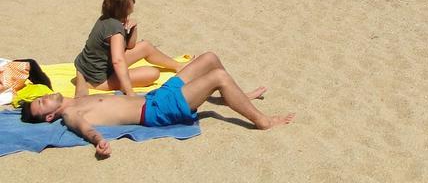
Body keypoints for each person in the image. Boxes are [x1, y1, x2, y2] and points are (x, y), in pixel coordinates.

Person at [21, 52, 293, 158]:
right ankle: (263, 121)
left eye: (40, 98)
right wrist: (98, 142)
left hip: (155, 97)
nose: (43, 98)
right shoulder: (71, 113)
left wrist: (83, 67)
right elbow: (84, 129)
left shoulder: (77, 97)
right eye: (42, 105)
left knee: (209, 58)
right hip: (156, 111)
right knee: (217, 76)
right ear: (49, 117)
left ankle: (238, 97)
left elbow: (82, 76)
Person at [72, 0, 182, 98]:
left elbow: (130, 46)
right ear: (124, 6)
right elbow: (118, 61)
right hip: (99, 78)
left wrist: (134, 28)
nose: (134, 2)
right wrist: (129, 92)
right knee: (153, 73)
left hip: (91, 66)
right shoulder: (115, 30)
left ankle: (178, 66)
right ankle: (90, 84)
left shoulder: (107, 19)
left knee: (146, 46)